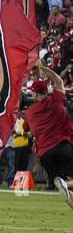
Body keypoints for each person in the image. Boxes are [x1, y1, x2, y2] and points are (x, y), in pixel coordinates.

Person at [27, 63, 73, 210]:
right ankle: (66, 184)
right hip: (62, 147)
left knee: (65, 190)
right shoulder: (55, 100)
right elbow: (59, 81)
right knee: (68, 183)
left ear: (35, 94)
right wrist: (44, 68)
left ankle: (64, 185)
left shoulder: (30, 112)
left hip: (45, 154)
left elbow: (31, 132)